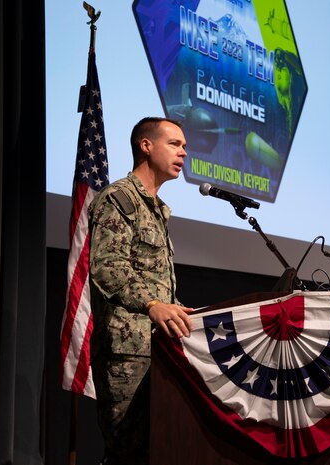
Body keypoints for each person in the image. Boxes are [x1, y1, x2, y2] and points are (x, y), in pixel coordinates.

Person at [88, 116, 194, 465]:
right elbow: (107, 266)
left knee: (157, 450)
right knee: (128, 454)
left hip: (159, 351)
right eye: (175, 144)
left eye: (185, 146)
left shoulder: (158, 211)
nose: (183, 152)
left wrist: (180, 310)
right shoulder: (118, 198)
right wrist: (152, 304)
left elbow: (154, 281)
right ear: (145, 146)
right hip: (127, 355)